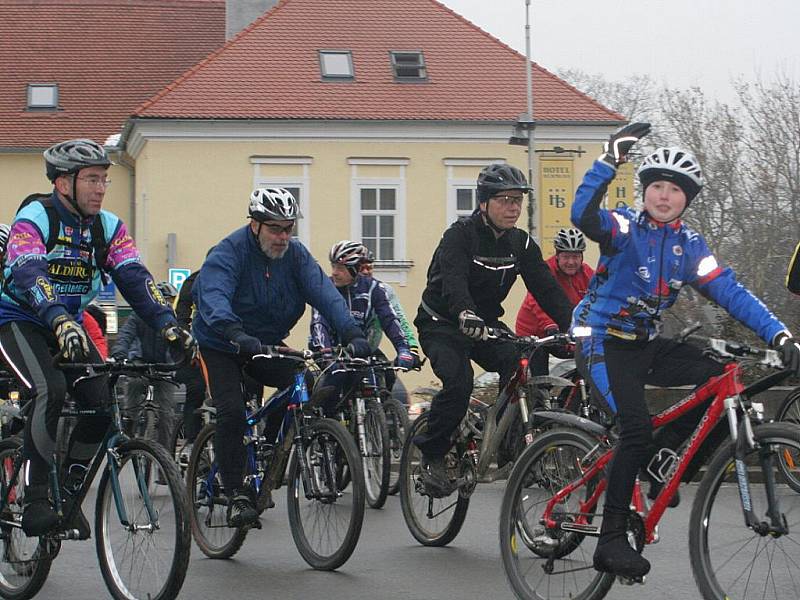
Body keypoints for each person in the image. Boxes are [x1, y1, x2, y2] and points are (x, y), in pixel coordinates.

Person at [570, 122, 800, 579]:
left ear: (687, 200)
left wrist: (779, 335)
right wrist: (608, 160)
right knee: (635, 429)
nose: (663, 195)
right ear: (644, 191)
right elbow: (582, 216)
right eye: (655, 185)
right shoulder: (621, 226)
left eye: (674, 190)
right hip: (600, 340)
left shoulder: (689, 245)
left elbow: (730, 291)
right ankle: (611, 540)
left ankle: (664, 461)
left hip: (646, 344)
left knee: (722, 379)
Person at [0, 138, 194, 538]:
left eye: (104, 179)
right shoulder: (35, 217)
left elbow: (135, 279)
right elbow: (28, 269)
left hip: (66, 322)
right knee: (48, 390)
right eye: (91, 179)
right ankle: (36, 498)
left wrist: (168, 324)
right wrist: (57, 318)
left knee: (103, 406)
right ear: (63, 183)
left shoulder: (108, 228)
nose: (101, 188)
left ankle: (67, 495)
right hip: (18, 319)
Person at [192, 187, 371, 529]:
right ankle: (235, 494)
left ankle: (271, 452)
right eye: (275, 228)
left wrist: (352, 333)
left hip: (266, 343)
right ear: (255, 225)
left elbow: (325, 294)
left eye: (288, 228)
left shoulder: (296, 256)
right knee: (230, 411)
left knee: (304, 382)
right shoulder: (229, 251)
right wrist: (235, 333)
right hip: (222, 342)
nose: (283, 236)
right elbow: (214, 296)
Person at [412, 163, 573, 497]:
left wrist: (575, 327)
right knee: (459, 383)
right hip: (442, 323)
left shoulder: (521, 244)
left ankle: (508, 447)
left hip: (485, 326)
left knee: (519, 364)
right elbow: (453, 282)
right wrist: (465, 313)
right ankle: (432, 452)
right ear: (483, 202)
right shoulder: (460, 235)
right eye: (504, 199)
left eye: (518, 200)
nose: (513, 207)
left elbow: (547, 289)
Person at [309, 240, 414, 401]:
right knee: (337, 378)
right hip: (328, 347)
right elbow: (319, 323)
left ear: (354, 269)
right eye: (333, 267)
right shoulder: (325, 288)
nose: (335, 272)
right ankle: (327, 421)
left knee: (387, 375)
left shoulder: (374, 289)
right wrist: (327, 354)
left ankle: (380, 417)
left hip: (360, 348)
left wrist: (404, 349)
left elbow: (390, 319)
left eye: (340, 268)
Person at [111, 281, 181, 453]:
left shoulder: (173, 320)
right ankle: (129, 425)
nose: (168, 304)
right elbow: (126, 334)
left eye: (171, 301)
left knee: (166, 415)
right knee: (134, 387)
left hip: (163, 367)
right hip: (140, 364)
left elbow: (179, 344)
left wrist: (182, 361)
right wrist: (120, 354)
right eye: (166, 300)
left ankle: (166, 459)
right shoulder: (139, 315)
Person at [515, 228, 594, 375]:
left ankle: (572, 396)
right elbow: (536, 301)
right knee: (540, 377)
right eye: (566, 257)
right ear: (557, 256)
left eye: (576, 256)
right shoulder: (545, 271)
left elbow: (599, 298)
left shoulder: (587, 274)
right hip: (534, 332)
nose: (571, 262)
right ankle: (539, 395)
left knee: (587, 361)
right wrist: (549, 324)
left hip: (563, 332)